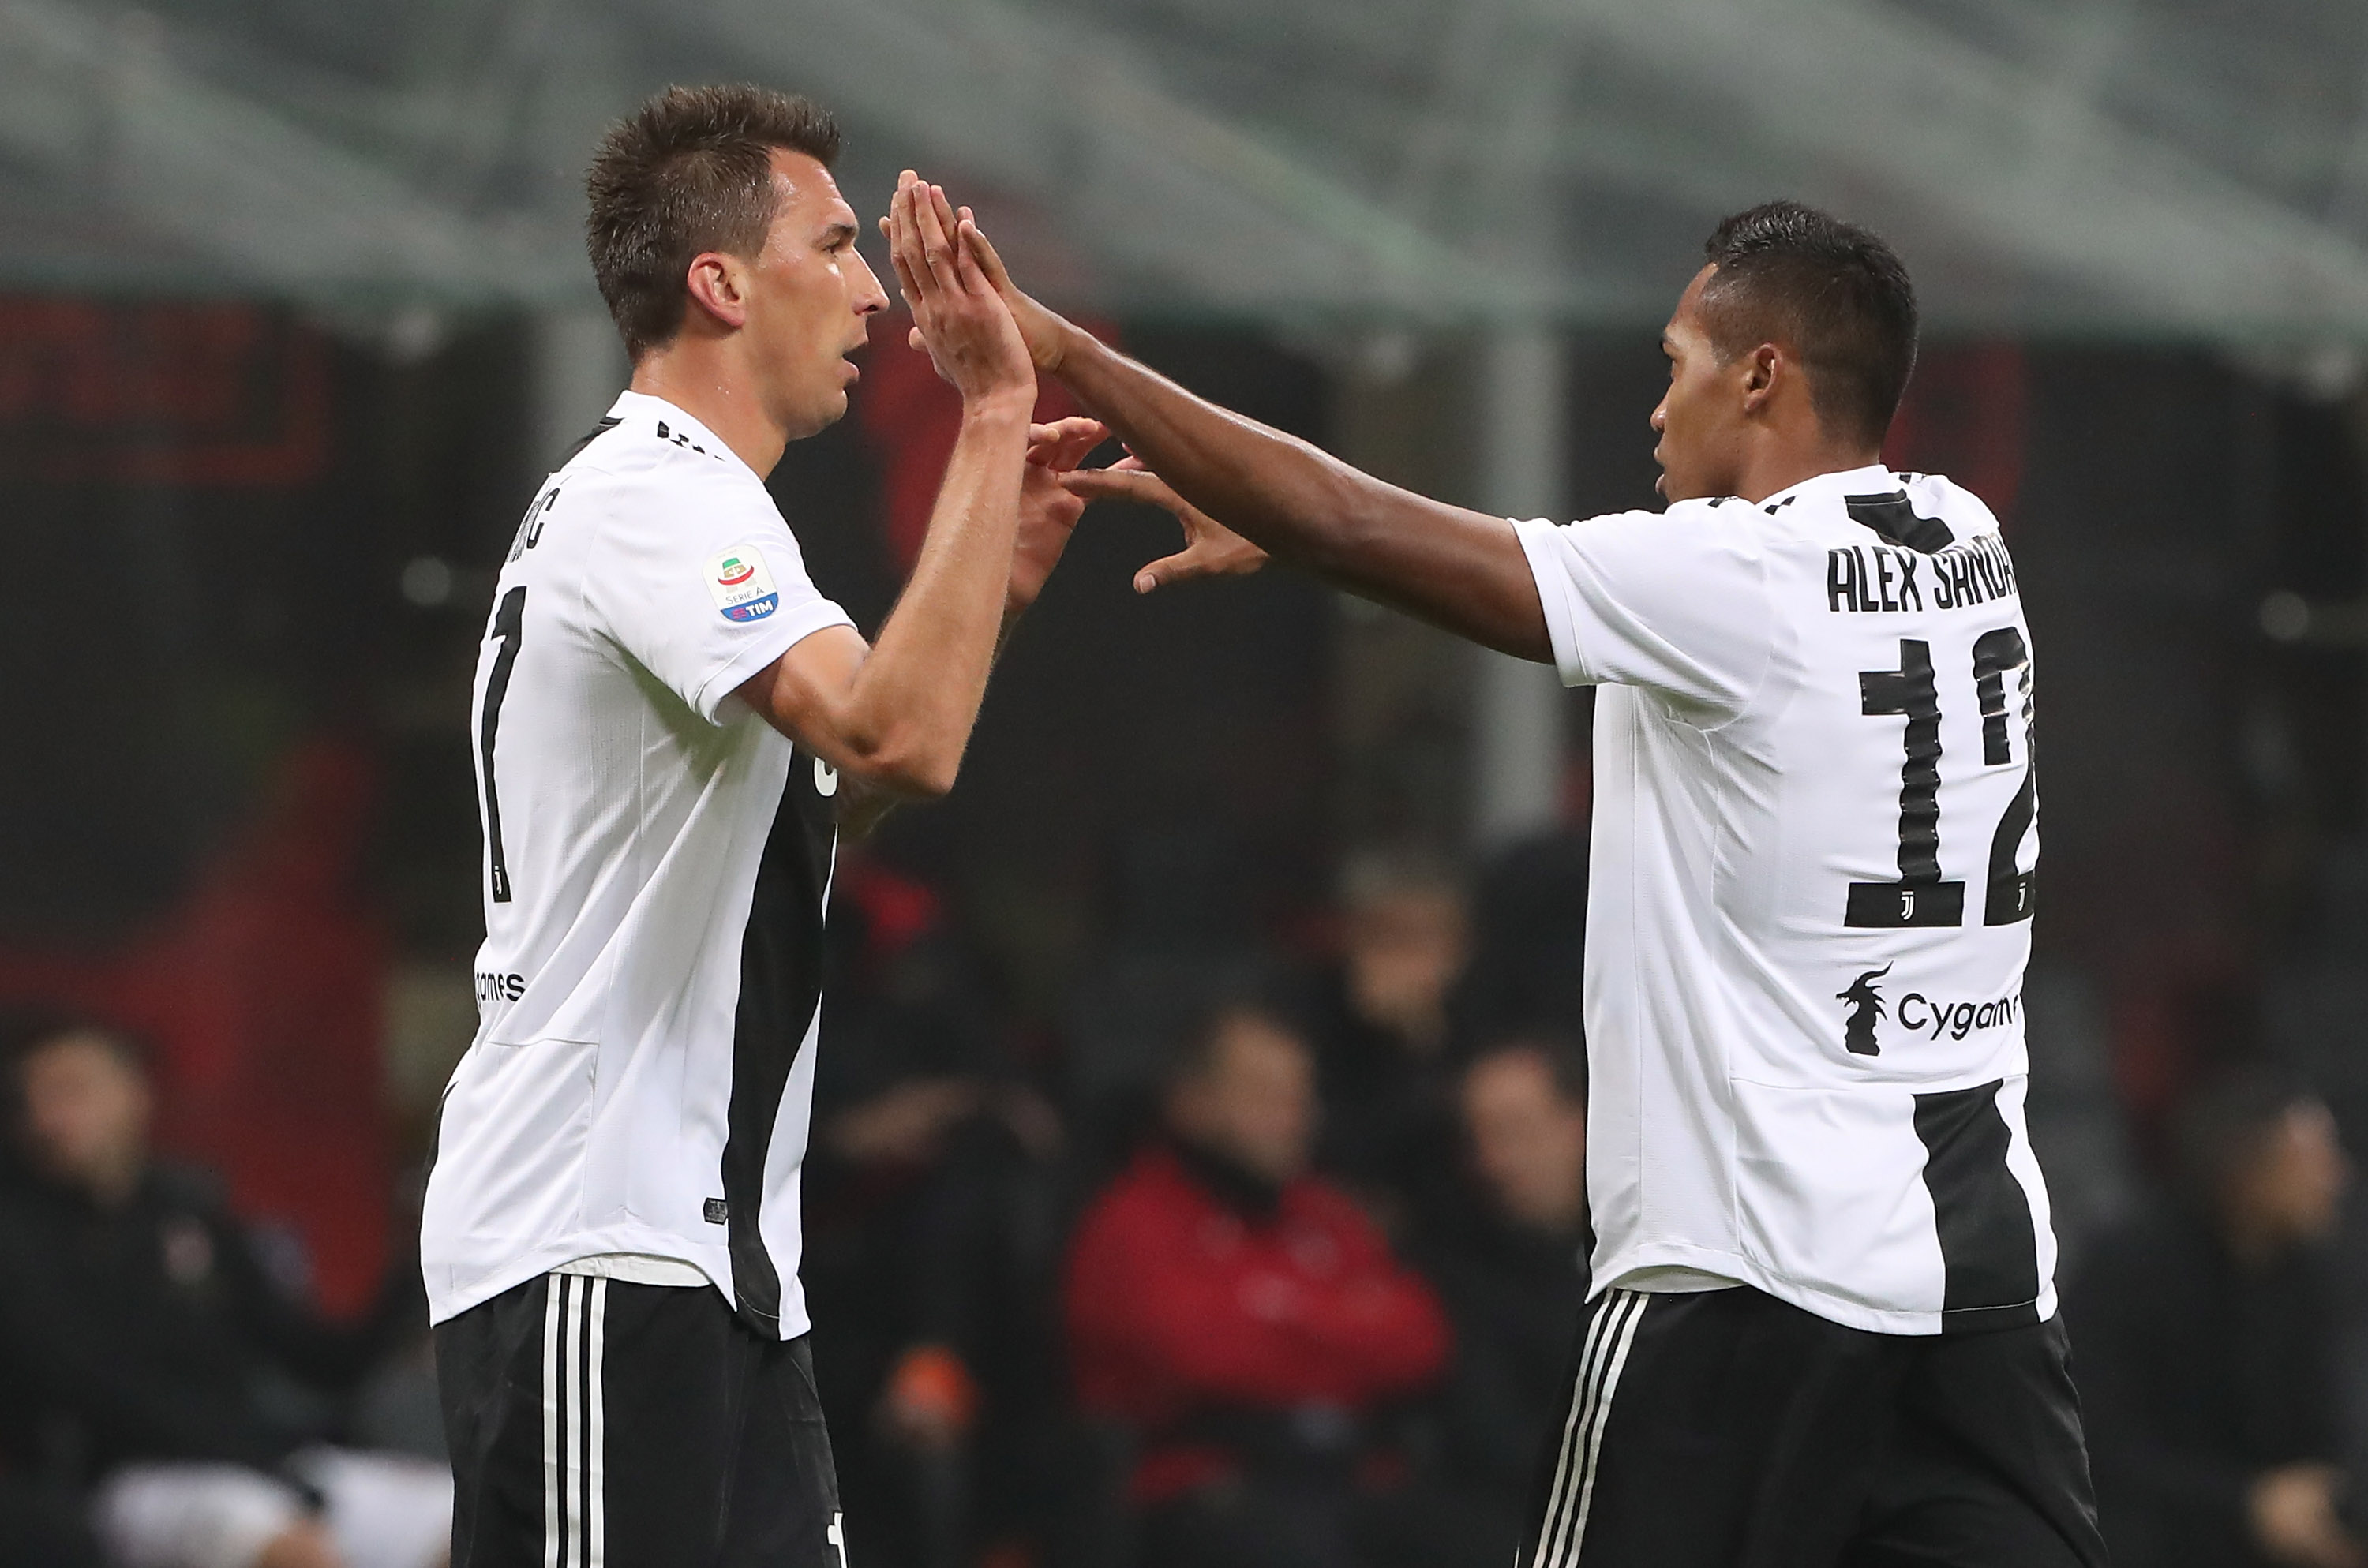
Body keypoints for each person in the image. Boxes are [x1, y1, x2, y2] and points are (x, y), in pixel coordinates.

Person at [938, 199, 2105, 1564]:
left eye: (1677, 365)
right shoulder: (1965, 542)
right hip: (1977, 1286)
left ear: (1764, 375)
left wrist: (1068, 346)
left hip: (1745, 1274)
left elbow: (1353, 513)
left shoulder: (1732, 574)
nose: (1658, 412)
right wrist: (1318, 532)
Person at [420, 86, 1100, 1568]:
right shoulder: (653, 495)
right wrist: (992, 411)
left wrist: (1002, 581)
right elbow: (892, 729)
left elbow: (850, 790)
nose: (872, 292)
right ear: (721, 284)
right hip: (596, 1240)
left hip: (714, 1263)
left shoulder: (681, 508)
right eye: (836, 245)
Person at [0, 1016, 444, 1568]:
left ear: (135, 1092)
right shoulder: (20, 1233)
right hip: (131, 1477)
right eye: (36, 1096)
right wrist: (248, 1453)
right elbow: (84, 1385)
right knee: (292, 1548)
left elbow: (316, 1356)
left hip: (264, 1461)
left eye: (74, 1088)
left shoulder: (188, 1209)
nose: (51, 1116)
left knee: (459, 1519)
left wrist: (417, 1262)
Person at [1063, 1000, 1450, 1568]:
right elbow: (1200, 1356)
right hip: (1210, 1487)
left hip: (1354, 1475)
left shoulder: (1326, 1216)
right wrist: (1340, 1325)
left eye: (1300, 1094)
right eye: (1264, 1094)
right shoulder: (1133, 1220)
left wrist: (1281, 1315)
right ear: (1191, 1101)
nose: (1293, 1115)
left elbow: (1420, 1339)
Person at [2070, 1068, 2360, 1568]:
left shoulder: (2308, 1272)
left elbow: (2328, 1424)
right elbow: (2098, 1441)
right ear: (2247, 1168)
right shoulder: (2130, 1268)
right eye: (2314, 1159)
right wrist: (2246, 1501)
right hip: (2152, 1536)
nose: (2339, 1178)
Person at [1406, 1038, 1591, 1568]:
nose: (1493, 1162)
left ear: (1583, 1121)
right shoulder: (1454, 1272)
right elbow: (1497, 1439)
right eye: (1478, 1140)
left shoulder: (1666, 1243)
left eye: (1516, 1132)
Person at [1306, 853, 1471, 1221]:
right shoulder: (1310, 1025)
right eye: (1395, 938)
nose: (1417, 960)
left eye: (1433, 938)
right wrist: (1381, 1041)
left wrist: (1421, 1041)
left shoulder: (1484, 1023)